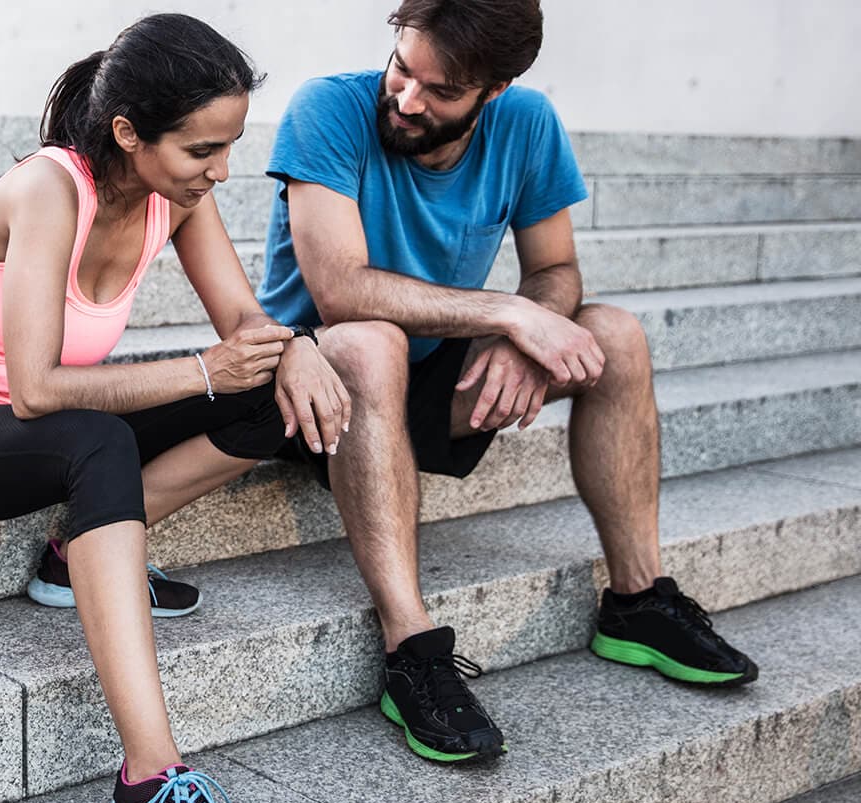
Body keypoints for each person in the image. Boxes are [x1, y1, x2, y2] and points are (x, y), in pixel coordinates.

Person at [0, 13, 349, 803]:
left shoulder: (177, 195)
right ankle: (149, 780)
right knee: (96, 435)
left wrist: (298, 348)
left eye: (231, 145)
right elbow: (35, 391)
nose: (222, 170)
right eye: (203, 148)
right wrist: (204, 365)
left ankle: (72, 562)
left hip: (42, 431)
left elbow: (246, 323)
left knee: (266, 395)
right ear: (128, 132)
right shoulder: (50, 189)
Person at [258, 0, 758, 764]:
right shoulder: (326, 108)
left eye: (442, 90)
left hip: (426, 381)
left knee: (614, 335)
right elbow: (340, 292)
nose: (408, 98)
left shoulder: (526, 123)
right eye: (402, 68)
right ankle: (412, 650)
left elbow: (556, 270)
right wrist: (506, 316)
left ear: (494, 89)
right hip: (310, 388)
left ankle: (637, 601)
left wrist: (528, 333)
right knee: (370, 343)